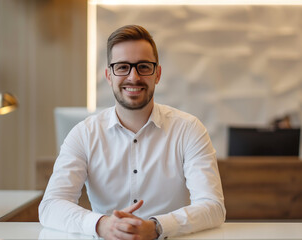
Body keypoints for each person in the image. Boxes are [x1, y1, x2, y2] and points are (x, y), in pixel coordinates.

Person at [39, 25, 226, 240]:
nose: (133, 77)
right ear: (109, 75)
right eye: (122, 67)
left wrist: (157, 227)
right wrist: (102, 225)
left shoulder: (189, 129)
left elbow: (213, 207)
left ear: (157, 74)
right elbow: (51, 206)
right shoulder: (84, 134)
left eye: (144, 66)